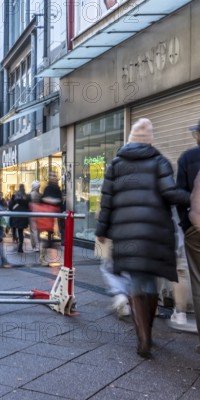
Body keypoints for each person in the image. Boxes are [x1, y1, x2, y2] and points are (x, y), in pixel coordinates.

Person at [96, 118, 189, 358]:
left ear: (129, 140)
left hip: (126, 233)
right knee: (150, 282)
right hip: (155, 231)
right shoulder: (159, 161)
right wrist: (192, 198)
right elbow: (170, 193)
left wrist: (102, 231)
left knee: (136, 281)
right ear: (149, 140)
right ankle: (148, 330)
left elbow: (107, 201)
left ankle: (143, 338)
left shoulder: (115, 165)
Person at [177, 119, 200, 348]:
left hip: (196, 229)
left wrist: (186, 225)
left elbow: (180, 194)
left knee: (198, 280)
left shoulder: (189, 157)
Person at [38, 173, 62, 265]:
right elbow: (44, 199)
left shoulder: (57, 188)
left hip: (54, 214)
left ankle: (43, 256)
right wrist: (53, 201)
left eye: (54, 177)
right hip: (47, 214)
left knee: (50, 236)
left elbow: (59, 200)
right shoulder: (48, 188)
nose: (53, 178)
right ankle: (42, 257)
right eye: (51, 177)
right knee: (47, 237)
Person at [9, 184, 30, 253]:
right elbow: (28, 206)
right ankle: (20, 247)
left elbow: (11, 205)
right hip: (23, 215)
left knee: (14, 227)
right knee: (21, 232)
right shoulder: (26, 196)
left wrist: (11, 210)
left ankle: (15, 238)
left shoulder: (15, 195)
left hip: (15, 214)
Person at [29, 181, 41, 251]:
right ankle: (36, 245)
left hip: (32, 213)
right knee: (37, 230)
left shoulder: (31, 194)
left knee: (33, 230)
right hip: (39, 212)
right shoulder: (39, 194)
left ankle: (35, 246)